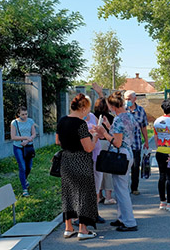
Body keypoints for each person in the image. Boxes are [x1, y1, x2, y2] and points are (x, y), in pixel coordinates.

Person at [56, 94, 99, 240]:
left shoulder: (62, 121)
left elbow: (58, 141)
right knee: (83, 194)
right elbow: (88, 148)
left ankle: (68, 228)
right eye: (88, 108)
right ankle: (83, 230)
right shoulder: (81, 124)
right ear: (83, 107)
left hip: (66, 160)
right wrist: (95, 137)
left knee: (68, 194)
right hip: (81, 161)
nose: (88, 111)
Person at [95, 91, 138, 232]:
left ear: (114, 106)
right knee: (122, 188)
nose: (109, 109)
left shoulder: (119, 119)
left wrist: (104, 132)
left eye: (109, 106)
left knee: (121, 191)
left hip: (121, 154)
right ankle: (122, 218)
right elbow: (123, 135)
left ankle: (129, 222)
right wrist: (108, 127)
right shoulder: (129, 116)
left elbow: (117, 142)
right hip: (127, 154)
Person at [153, 100, 170, 211]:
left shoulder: (157, 121)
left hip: (160, 151)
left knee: (161, 177)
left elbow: (155, 137)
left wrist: (159, 148)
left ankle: (162, 202)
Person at [124, 90, 149, 196]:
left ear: (134, 99)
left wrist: (146, 141)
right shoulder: (122, 110)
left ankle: (134, 187)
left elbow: (143, 126)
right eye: (126, 99)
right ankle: (123, 188)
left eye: (129, 98)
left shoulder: (140, 110)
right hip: (124, 144)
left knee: (135, 167)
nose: (127, 101)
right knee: (124, 167)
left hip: (136, 143)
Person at [93, 97, 116, 205]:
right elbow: (113, 132)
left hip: (95, 144)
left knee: (97, 170)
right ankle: (108, 197)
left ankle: (99, 195)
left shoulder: (92, 116)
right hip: (106, 143)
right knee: (107, 171)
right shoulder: (110, 117)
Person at [10, 106, 36, 197]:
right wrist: (25, 138)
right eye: (22, 114)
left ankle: (24, 179)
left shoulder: (30, 121)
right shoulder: (14, 122)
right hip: (18, 147)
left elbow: (34, 134)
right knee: (22, 167)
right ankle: (24, 189)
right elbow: (13, 137)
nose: (25, 116)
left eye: (26, 114)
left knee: (29, 167)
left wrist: (28, 140)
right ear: (18, 114)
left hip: (29, 147)